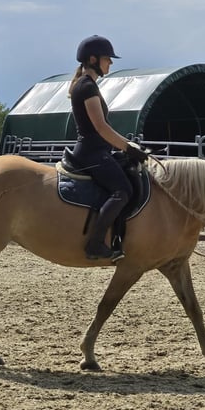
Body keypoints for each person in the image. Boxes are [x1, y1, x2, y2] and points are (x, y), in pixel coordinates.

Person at [68, 35, 150, 260]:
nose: (110, 63)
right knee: (122, 191)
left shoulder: (88, 85)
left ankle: (118, 236)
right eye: (107, 59)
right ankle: (95, 244)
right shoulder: (86, 87)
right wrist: (128, 148)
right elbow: (101, 127)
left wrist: (128, 147)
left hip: (97, 151)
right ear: (93, 59)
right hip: (91, 153)